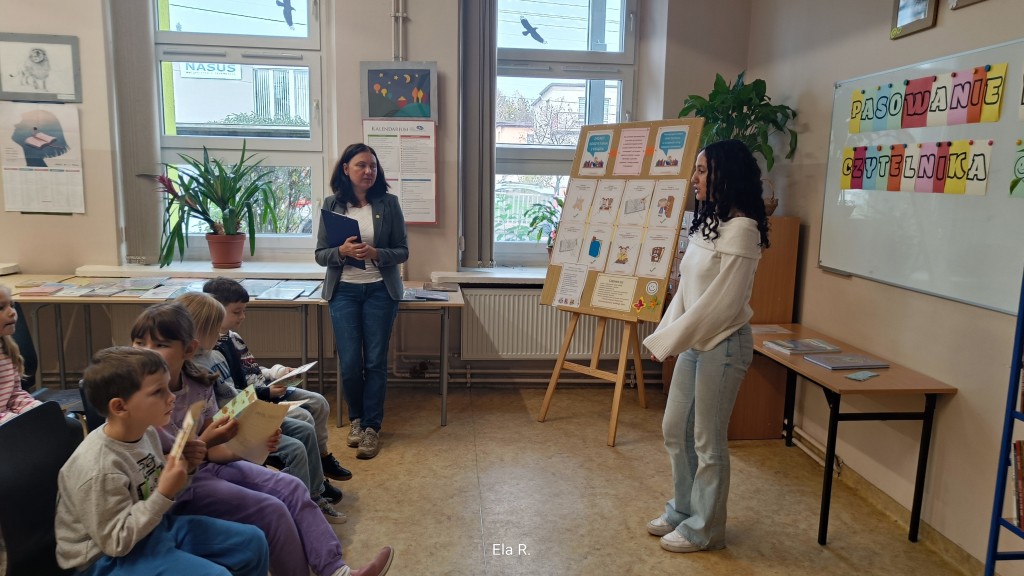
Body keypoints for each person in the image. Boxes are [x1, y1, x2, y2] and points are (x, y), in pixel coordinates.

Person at [131, 302, 394, 576]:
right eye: (139, 343)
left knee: (292, 487)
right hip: (179, 484)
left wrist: (251, 445)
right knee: (271, 509)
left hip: (207, 467)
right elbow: (159, 465)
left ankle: (336, 571)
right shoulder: (135, 394)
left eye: (159, 345)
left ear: (189, 349)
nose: (147, 352)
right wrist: (207, 442)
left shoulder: (199, 382)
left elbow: (216, 450)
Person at [642, 139, 770, 554]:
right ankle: (682, 511)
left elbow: (721, 304)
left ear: (724, 176)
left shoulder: (744, 230)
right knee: (674, 429)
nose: (693, 178)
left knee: (708, 441)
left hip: (724, 345)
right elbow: (686, 292)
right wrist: (666, 335)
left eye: (701, 170)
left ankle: (706, 529)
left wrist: (669, 340)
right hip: (696, 342)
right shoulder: (707, 223)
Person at [55, 346, 270, 575]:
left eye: (168, 387)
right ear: (119, 406)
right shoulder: (99, 468)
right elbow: (116, 542)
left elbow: (157, 492)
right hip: (104, 560)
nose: (172, 398)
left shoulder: (146, 433)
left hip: (150, 530)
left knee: (253, 543)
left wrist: (186, 467)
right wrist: (164, 493)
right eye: (158, 392)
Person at [176, 292, 345, 521]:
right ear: (200, 330)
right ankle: (296, 512)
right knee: (294, 448)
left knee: (304, 427)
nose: (219, 333)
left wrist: (263, 407)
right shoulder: (195, 368)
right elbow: (222, 411)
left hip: (243, 413)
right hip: (232, 425)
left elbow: (235, 394)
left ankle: (314, 495)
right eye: (215, 328)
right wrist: (262, 406)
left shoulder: (215, 356)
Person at [201, 276, 351, 490]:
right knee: (303, 417)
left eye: (244, 311)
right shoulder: (215, 351)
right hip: (256, 400)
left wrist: (277, 371)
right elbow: (233, 397)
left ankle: (322, 458)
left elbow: (251, 368)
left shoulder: (232, 337)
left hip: (265, 390)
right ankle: (313, 479)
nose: (242, 316)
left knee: (318, 402)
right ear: (214, 309)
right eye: (237, 312)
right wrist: (267, 394)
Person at [315, 143, 408, 459]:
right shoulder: (332, 205)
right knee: (351, 362)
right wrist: (340, 252)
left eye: (373, 166)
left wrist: (376, 253)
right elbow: (320, 255)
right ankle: (355, 419)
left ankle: (371, 428)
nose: (369, 171)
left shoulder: (389, 204)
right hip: (344, 292)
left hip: (380, 291)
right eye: (361, 165)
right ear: (346, 169)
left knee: (375, 361)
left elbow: (402, 250)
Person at [0, 286, 41, 424]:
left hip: (8, 422)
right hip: (6, 426)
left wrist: (35, 408)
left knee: (69, 427)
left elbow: (13, 395)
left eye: (12, 305)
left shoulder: (6, 349)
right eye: (1, 308)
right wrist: (13, 422)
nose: (12, 312)